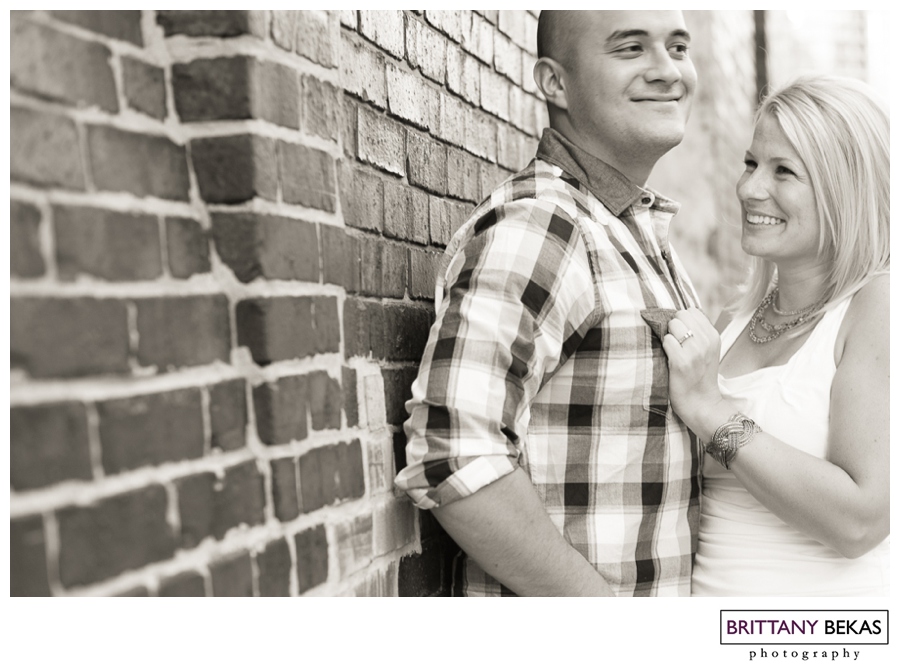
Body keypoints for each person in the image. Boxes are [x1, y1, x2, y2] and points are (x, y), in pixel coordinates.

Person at [394, 10, 702, 596]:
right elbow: (452, 455)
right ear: (554, 82)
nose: (668, 70)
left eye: (679, 47)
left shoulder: (629, 229)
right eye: (631, 48)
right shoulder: (543, 228)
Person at [663, 75, 889, 596]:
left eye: (783, 170)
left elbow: (862, 521)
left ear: (844, 189)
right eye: (751, 163)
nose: (749, 188)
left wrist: (712, 412)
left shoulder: (878, 306)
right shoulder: (732, 319)